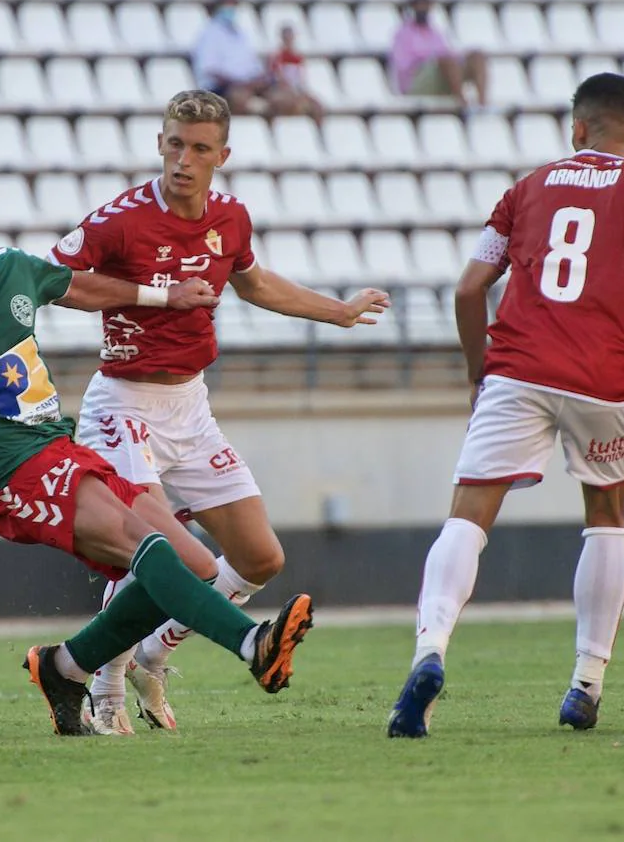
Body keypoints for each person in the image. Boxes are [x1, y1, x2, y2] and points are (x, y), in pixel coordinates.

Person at [0, 177, 315, 736]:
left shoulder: (9, 267)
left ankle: (64, 667)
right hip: (15, 476)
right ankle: (252, 644)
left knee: (198, 570)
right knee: (144, 545)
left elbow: (78, 288)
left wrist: (165, 297)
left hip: (63, 449)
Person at [46, 89, 391, 735]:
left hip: (190, 406)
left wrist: (337, 310)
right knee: (154, 553)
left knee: (260, 558)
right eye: (175, 143)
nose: (184, 159)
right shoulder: (120, 220)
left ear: (222, 156)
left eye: (199, 148)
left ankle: (153, 651)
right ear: (160, 143)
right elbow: (54, 281)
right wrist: (158, 295)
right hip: (124, 405)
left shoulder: (230, 218)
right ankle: (108, 683)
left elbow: (255, 283)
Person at [386, 73, 624, 739]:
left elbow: (469, 287)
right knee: (606, 519)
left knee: (469, 517)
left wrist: (480, 374)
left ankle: (431, 650)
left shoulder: (528, 189)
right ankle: (586, 685)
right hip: (608, 378)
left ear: (576, 129)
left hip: (519, 368)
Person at [192, 0, 304, 117]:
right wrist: (240, 83)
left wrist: (258, 81)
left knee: (284, 98)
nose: (231, 9)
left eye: (234, 5)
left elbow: (254, 67)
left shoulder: (241, 34)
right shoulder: (208, 34)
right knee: (240, 98)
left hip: (248, 86)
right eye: (228, 5)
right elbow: (210, 71)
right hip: (224, 89)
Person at [389, 0, 487, 111]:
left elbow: (447, 53)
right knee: (446, 61)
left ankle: (482, 104)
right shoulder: (403, 34)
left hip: (439, 74)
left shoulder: (435, 33)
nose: (423, 9)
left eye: (426, 5)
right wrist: (429, 61)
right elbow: (403, 67)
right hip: (417, 81)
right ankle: (462, 104)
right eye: (420, 5)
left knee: (476, 57)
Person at [269, 25, 324, 122]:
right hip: (283, 90)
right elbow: (278, 78)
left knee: (317, 106)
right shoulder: (277, 57)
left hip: (296, 89)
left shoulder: (298, 58)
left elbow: (300, 78)